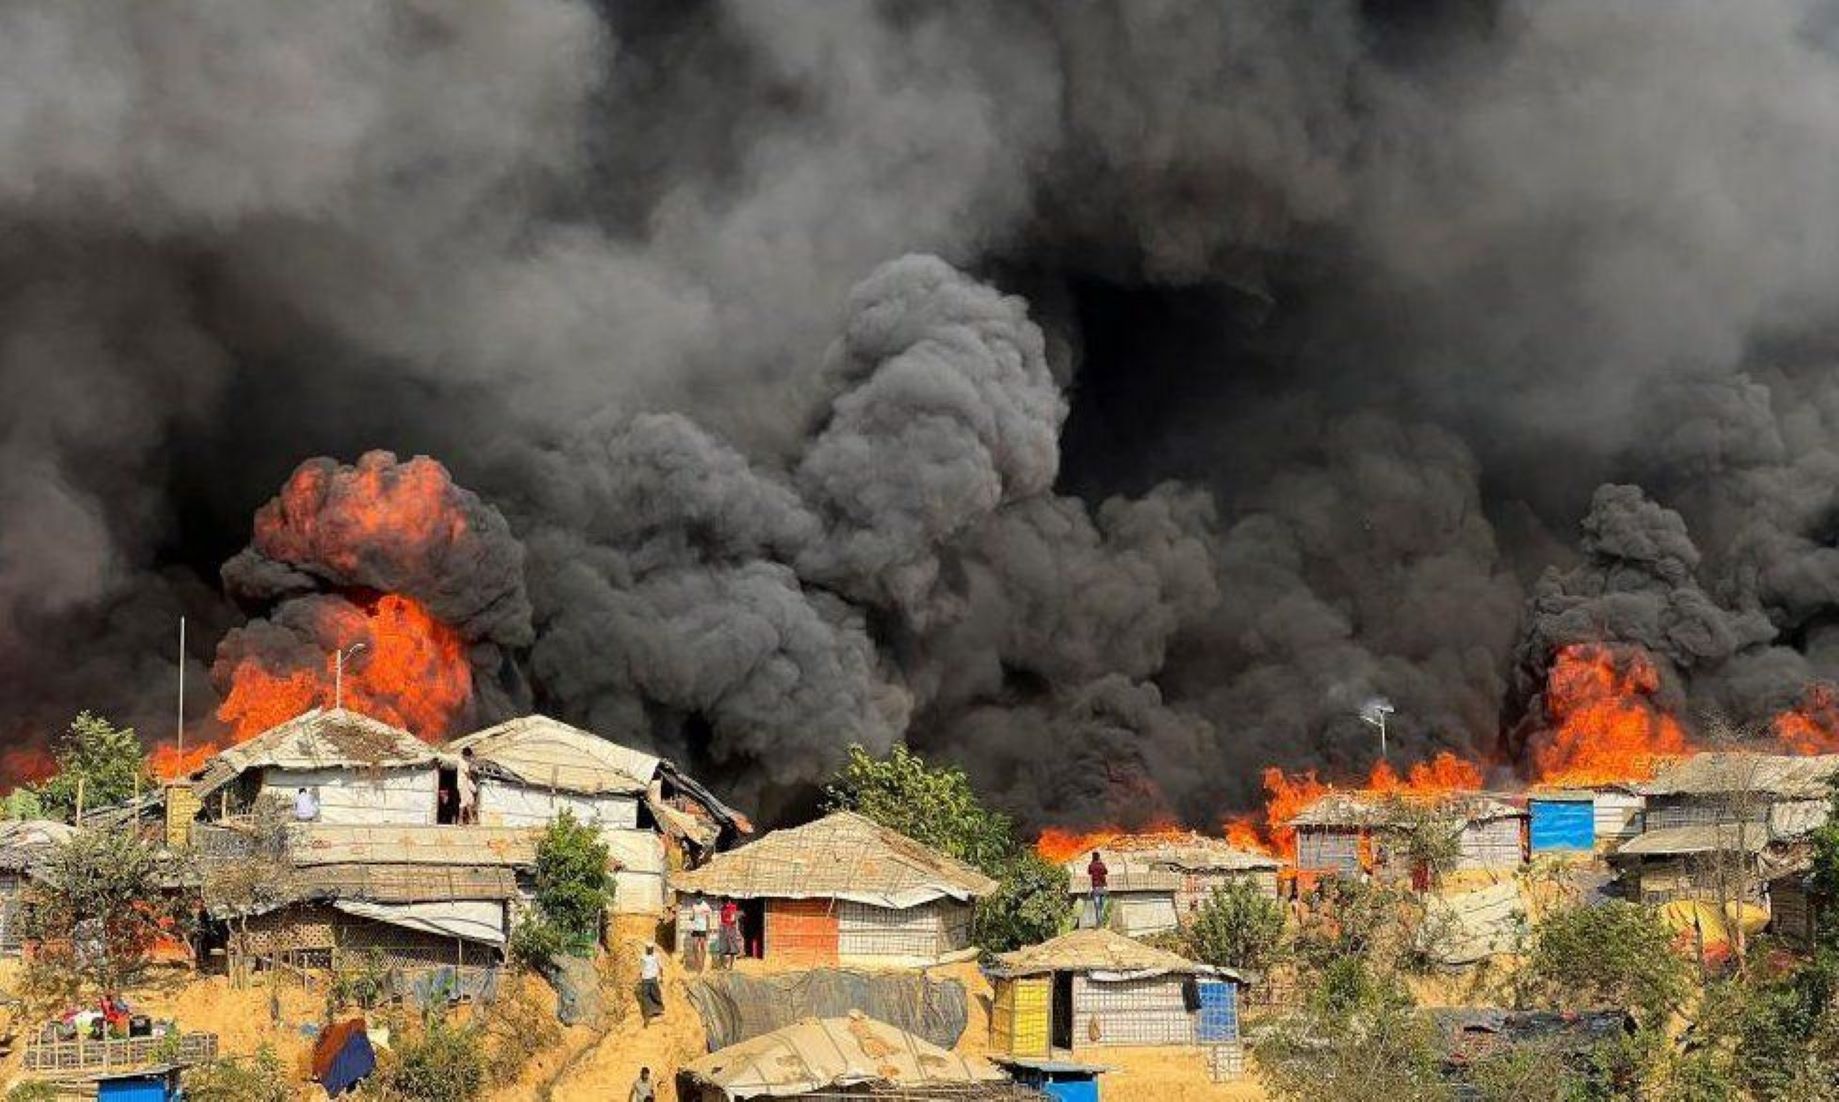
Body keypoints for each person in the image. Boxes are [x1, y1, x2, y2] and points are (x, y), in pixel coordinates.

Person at [639, 944, 664, 1024]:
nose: (649, 950)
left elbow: (660, 967)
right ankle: (648, 1015)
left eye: (650, 948)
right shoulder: (644, 957)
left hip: (649, 978)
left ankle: (654, 1011)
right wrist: (661, 977)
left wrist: (661, 976)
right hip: (648, 978)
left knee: (653, 994)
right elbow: (642, 968)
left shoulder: (654, 956)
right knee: (650, 995)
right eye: (648, 948)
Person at [688, 896, 713, 972]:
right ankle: (697, 962)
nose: (697, 899)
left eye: (699, 898)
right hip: (695, 928)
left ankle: (702, 964)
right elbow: (692, 917)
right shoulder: (694, 906)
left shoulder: (706, 906)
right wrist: (691, 917)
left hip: (703, 929)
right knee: (694, 946)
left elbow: (708, 919)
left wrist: (708, 931)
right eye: (696, 898)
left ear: (702, 898)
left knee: (702, 946)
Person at [718, 897, 741, 970]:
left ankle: (730, 966)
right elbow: (722, 920)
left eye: (724, 903)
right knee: (723, 946)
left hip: (731, 928)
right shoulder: (722, 909)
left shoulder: (733, 907)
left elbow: (733, 919)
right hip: (724, 927)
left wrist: (729, 927)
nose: (724, 904)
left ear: (728, 901)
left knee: (732, 947)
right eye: (723, 903)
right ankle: (723, 965)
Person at [1087, 850, 1109, 927]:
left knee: (1097, 907)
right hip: (1103, 888)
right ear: (1099, 857)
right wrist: (1101, 863)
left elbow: (1089, 873)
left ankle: (1098, 922)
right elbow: (1106, 872)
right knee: (1102, 906)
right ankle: (1101, 922)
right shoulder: (1102, 865)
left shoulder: (1091, 865)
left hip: (1095, 888)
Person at [458, 746, 478, 824]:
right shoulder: (463, 762)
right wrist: (472, 777)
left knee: (469, 800)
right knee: (463, 801)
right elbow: (467, 774)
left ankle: (471, 819)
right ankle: (460, 820)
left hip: (465, 783)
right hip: (462, 784)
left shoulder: (463, 761)